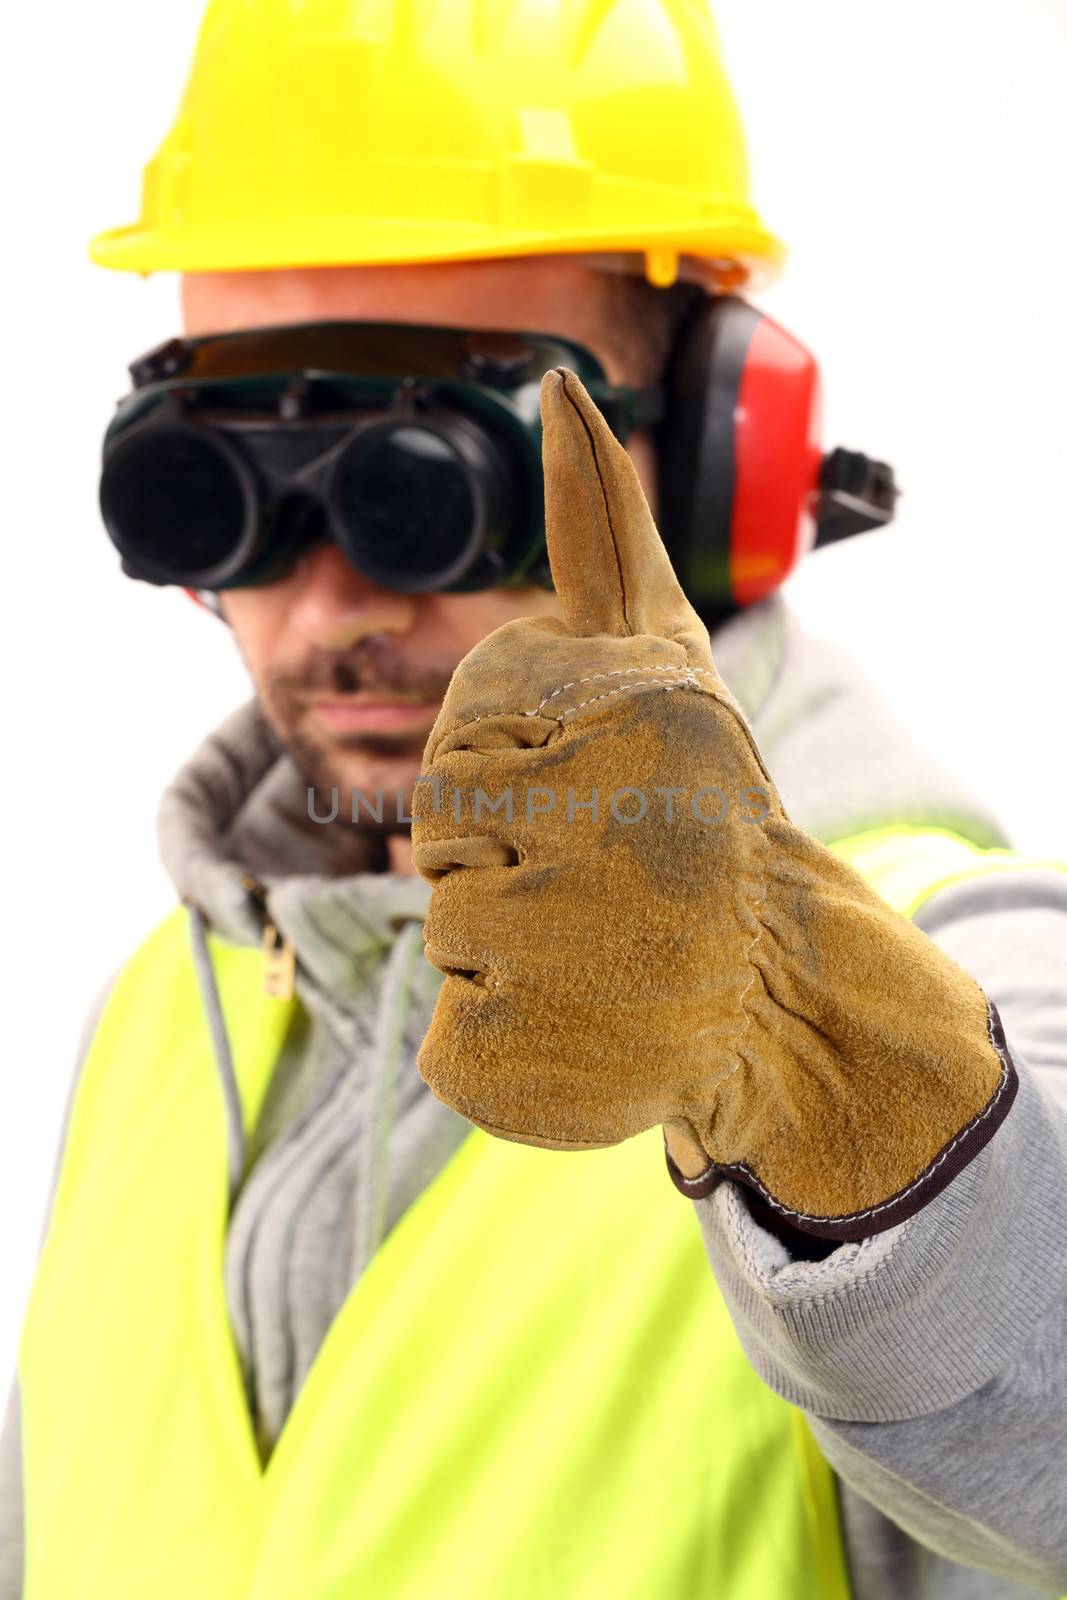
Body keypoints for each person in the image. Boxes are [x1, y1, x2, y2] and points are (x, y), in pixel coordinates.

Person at [3, 2, 1066, 1596]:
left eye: (430, 479)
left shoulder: (935, 974)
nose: (333, 595)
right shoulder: (163, 1016)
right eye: (220, 476)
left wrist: (824, 1063)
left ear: (712, 459)